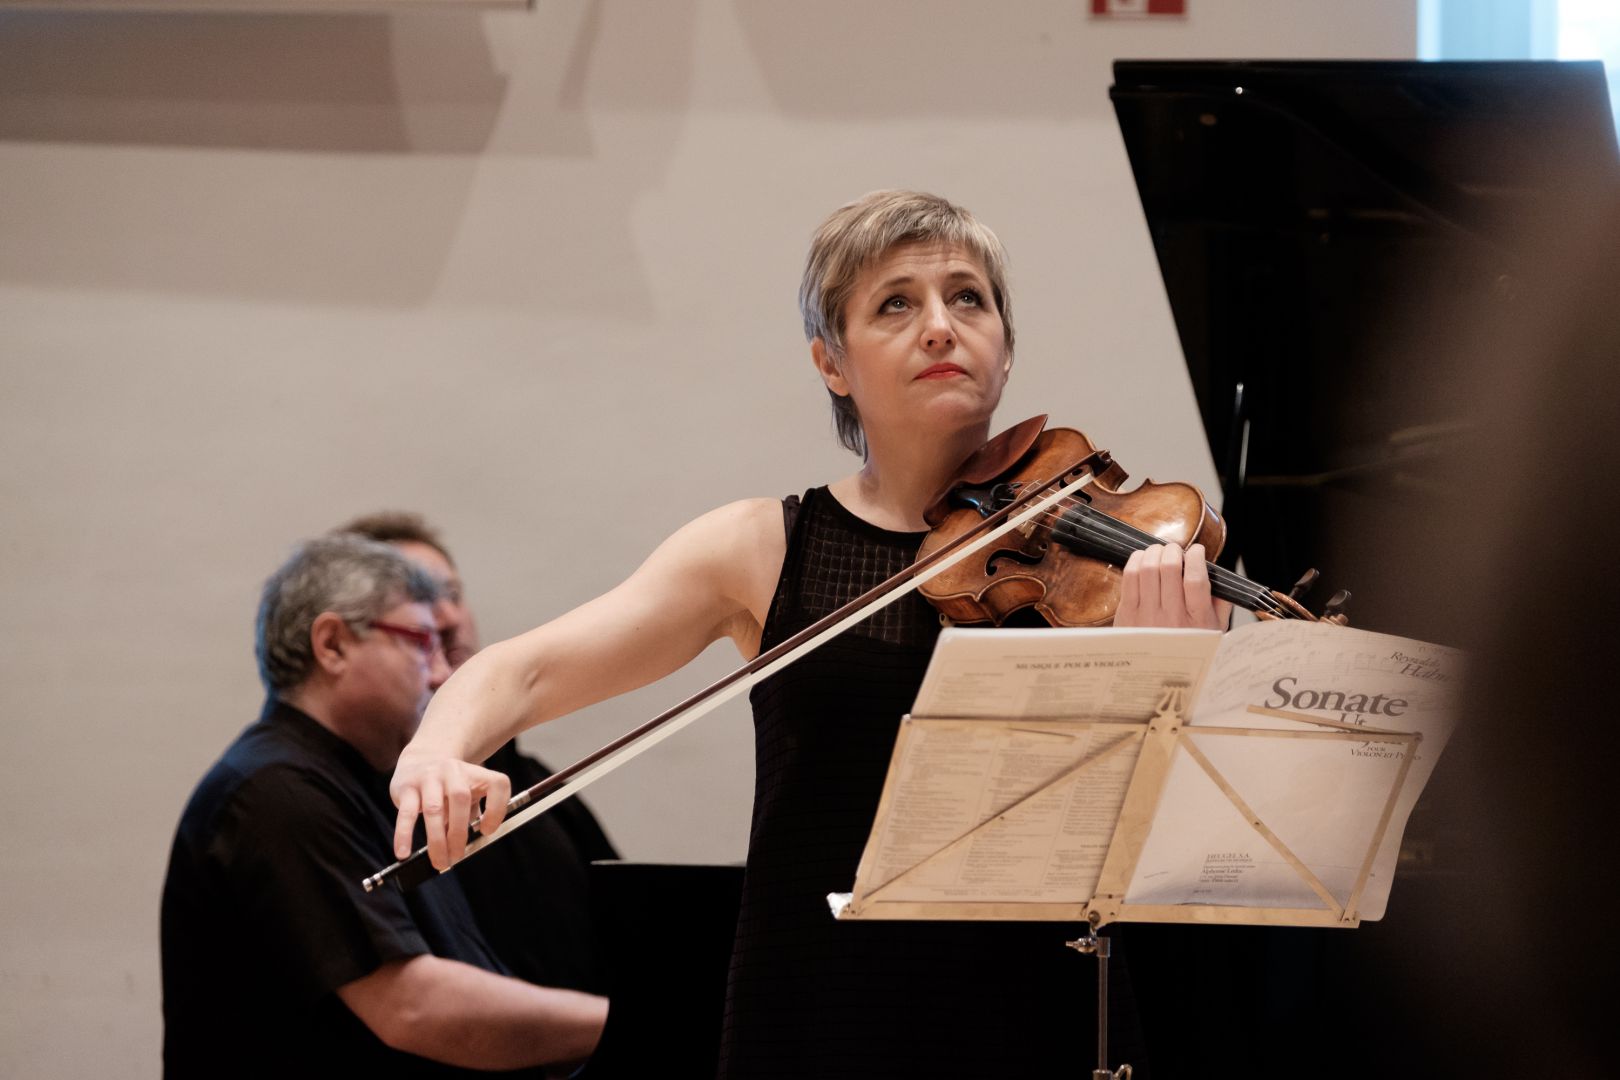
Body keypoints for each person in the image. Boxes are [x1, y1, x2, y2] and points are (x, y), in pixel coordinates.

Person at [387, 191, 1227, 1077]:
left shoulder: (1112, 564)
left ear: (1006, 347)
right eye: (895, 303)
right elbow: (521, 673)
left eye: (968, 298)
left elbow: (1191, 843)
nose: (940, 326)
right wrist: (436, 751)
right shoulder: (760, 549)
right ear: (832, 362)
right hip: (822, 1008)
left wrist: (1175, 680)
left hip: (1040, 1011)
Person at [160, 535, 606, 1078]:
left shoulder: (364, 782)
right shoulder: (275, 793)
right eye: (422, 642)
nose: (441, 674)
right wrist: (625, 1023)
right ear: (333, 645)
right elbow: (414, 1007)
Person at [337, 511, 619, 993]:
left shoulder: (532, 779)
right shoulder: (358, 795)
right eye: (418, 600)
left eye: (451, 595)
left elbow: (626, 922)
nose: (446, 619)